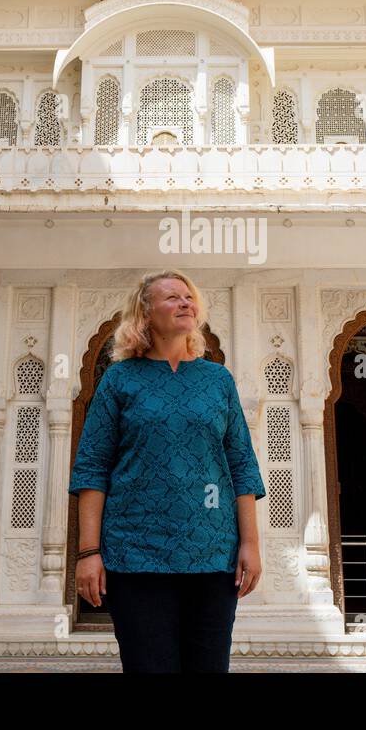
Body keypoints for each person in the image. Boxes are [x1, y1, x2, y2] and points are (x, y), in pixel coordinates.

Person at [68, 269, 266, 672]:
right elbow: (92, 467)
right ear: (144, 314)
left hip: (212, 553)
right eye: (172, 297)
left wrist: (251, 544)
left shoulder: (217, 380)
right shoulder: (120, 380)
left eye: (189, 297)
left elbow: (241, 464)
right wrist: (89, 552)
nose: (185, 303)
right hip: (136, 552)